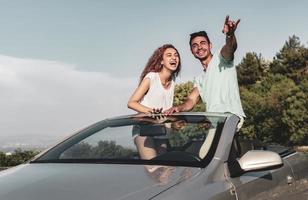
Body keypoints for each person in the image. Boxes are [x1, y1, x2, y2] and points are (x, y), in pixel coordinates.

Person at [165, 15, 245, 130]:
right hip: (215, 124)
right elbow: (191, 100)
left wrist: (230, 35)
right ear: (192, 51)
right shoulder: (200, 79)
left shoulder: (221, 58)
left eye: (203, 43)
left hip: (229, 119)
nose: (199, 47)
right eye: (195, 46)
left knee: (205, 149)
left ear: (210, 45)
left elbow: (230, 48)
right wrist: (178, 108)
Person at [127, 44, 181, 162]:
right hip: (144, 130)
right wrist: (152, 112)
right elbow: (131, 102)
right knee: (154, 169)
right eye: (169, 55)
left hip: (162, 131)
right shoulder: (152, 77)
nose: (174, 58)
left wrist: (175, 122)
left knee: (165, 171)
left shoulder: (173, 84)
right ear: (161, 61)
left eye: (176, 55)